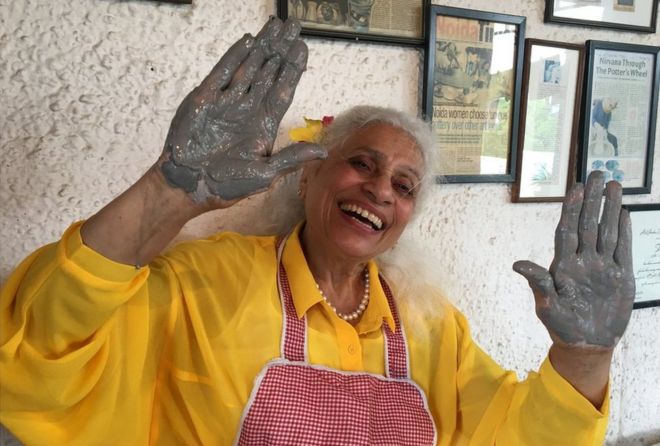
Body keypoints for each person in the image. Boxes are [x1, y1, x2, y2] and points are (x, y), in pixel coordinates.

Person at [0, 17, 635, 446]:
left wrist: (584, 356)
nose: (381, 189)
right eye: (361, 162)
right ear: (305, 178)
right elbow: (42, 347)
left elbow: (510, 432)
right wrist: (164, 194)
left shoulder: (429, 323)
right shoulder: (206, 281)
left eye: (405, 185)